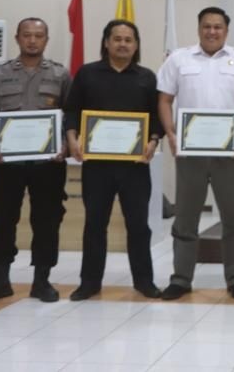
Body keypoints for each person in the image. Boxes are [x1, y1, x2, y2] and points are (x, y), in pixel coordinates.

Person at [157, 6, 234, 300]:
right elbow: (164, 100)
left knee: (233, 218)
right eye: (207, 26)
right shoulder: (179, 59)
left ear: (226, 31)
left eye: (218, 27)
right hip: (190, 152)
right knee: (186, 218)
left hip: (230, 153)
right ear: (199, 28)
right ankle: (181, 279)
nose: (212, 31)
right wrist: (171, 134)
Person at [0, 18, 72, 305]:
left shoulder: (61, 75)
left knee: (47, 221)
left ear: (46, 40)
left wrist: (65, 146)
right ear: (17, 38)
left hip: (48, 165)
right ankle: (0, 280)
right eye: (27, 35)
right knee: (2, 219)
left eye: (39, 35)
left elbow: (72, 115)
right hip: (7, 164)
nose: (32, 40)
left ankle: (42, 281)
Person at [63, 19, 163, 301]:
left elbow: (156, 116)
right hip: (97, 166)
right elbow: (72, 111)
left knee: (138, 225)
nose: (122, 44)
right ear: (106, 42)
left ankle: (144, 281)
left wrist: (153, 140)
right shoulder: (87, 74)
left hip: (135, 167)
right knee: (95, 223)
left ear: (136, 45)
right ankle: (89, 283)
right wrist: (72, 139)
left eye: (128, 40)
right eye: (117, 39)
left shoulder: (146, 77)